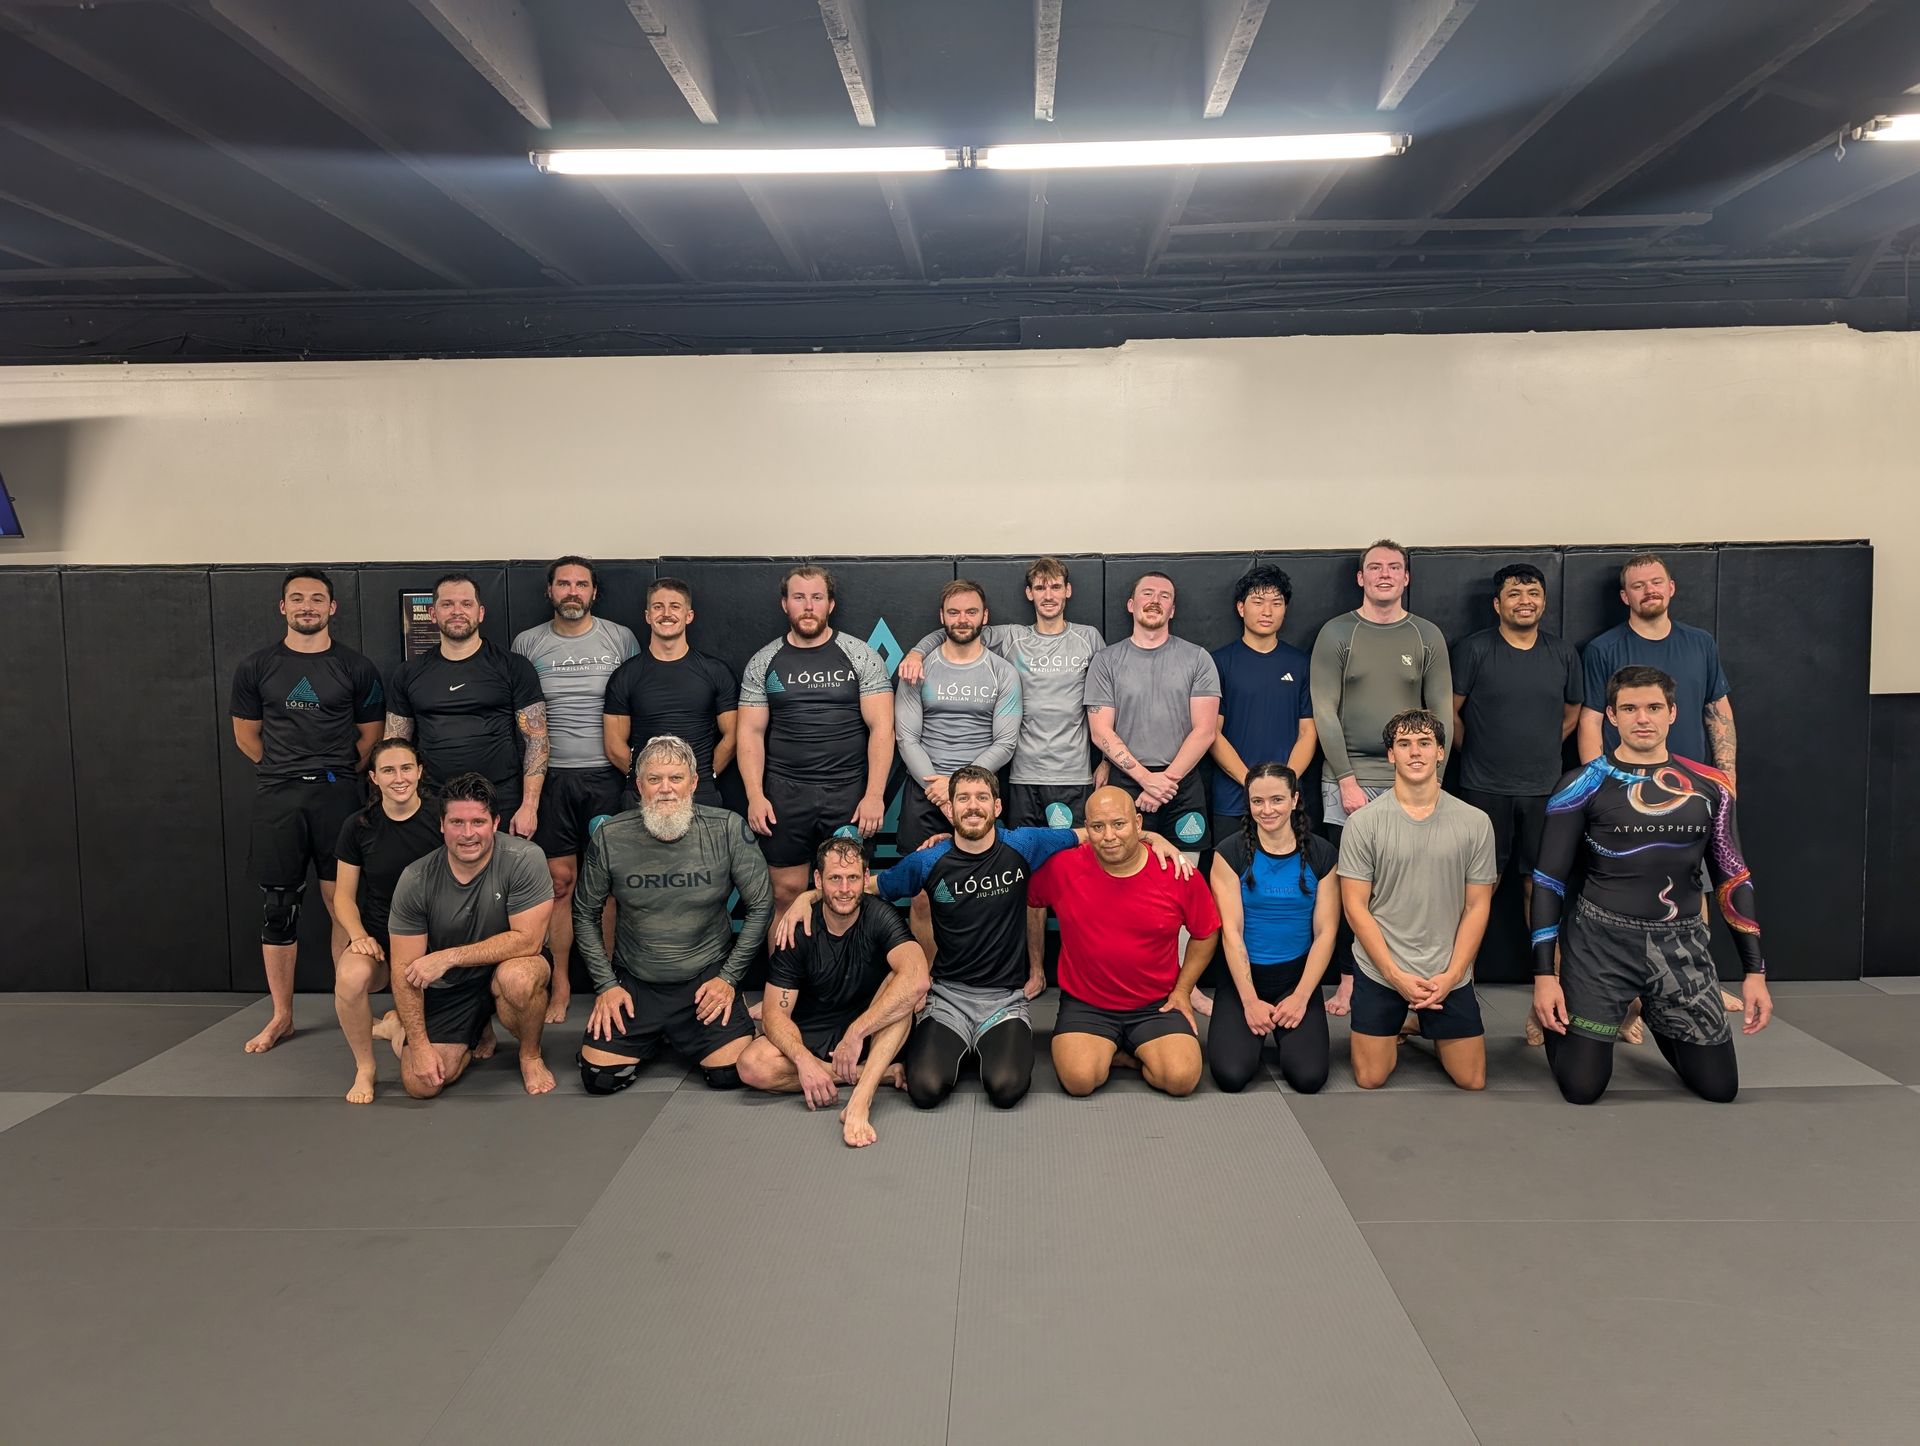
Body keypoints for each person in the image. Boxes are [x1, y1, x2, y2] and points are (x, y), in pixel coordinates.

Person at [770, 765, 1190, 1111]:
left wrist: (1152, 837)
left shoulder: (1024, 844)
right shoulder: (929, 860)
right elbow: (865, 886)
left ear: (997, 806)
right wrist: (809, 894)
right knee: (926, 1091)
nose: (973, 807)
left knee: (1006, 1090)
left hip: (1004, 1001)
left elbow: (1095, 833)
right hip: (948, 998)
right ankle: (952, 1048)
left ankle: (986, 1048)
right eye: (964, 799)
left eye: (982, 798)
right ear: (950, 810)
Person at [1531, 665, 1773, 1105]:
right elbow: (1548, 881)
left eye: (1653, 707)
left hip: (1682, 946)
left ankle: (1661, 1013)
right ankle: (1575, 1021)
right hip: (1600, 945)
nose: (1642, 718)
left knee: (1720, 1089)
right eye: (1630, 708)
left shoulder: (1711, 787)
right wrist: (1545, 976)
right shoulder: (1581, 785)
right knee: (1583, 1089)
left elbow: (1732, 878)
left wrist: (1754, 972)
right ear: (1612, 716)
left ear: (1672, 713)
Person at [1576, 552, 1744, 1013]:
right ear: (1624, 596)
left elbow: (1718, 711)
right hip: (1626, 792)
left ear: (1670, 588)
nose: (1649, 590)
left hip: (1691, 793)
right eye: (1638, 585)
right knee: (1625, 887)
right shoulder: (1603, 649)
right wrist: (1601, 785)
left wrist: (1724, 778)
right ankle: (1627, 997)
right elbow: (1590, 721)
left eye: (1656, 582)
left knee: (1697, 885)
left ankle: (1699, 980)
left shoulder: (1699, 644)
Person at [229, 567, 384, 1055]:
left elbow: (370, 739)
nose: (307, 606)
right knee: (279, 908)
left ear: (332, 608)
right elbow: (246, 736)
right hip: (278, 797)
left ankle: (349, 1009)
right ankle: (282, 1016)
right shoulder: (256, 668)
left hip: (338, 796)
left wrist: (328, 772)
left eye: (317, 599)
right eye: (297, 598)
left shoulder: (356, 668)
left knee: (343, 904)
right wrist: (288, 769)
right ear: (283, 607)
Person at [572, 735, 773, 1093]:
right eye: (654, 779)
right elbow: (585, 913)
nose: (666, 789)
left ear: (694, 783)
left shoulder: (728, 828)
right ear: (639, 786)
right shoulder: (611, 837)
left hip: (705, 982)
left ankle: (701, 1022)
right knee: (600, 1080)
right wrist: (605, 986)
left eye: (676, 778)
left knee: (729, 1075)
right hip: (635, 982)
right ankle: (653, 1036)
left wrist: (728, 978)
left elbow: (761, 906)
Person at [1310, 540, 1453, 1016]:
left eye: (1395, 567)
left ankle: (1413, 977)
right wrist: (1346, 779)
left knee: (1411, 884)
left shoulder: (1425, 634)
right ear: (1361, 577)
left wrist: (1430, 780)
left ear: (1407, 577)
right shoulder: (1337, 632)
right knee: (1352, 885)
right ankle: (1352, 979)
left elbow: (1442, 717)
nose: (1385, 574)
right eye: (1375, 567)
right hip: (1348, 778)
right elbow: (1324, 711)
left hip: (1412, 779)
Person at [1449, 563, 1581, 1046]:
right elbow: (1451, 712)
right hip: (1482, 789)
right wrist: (1480, 753)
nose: (1525, 599)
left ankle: (1547, 1000)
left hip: (1544, 791)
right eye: (1514, 593)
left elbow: (1570, 715)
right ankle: (1453, 993)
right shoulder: (1475, 649)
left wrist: (1541, 752)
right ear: (1497, 604)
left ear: (1543, 601)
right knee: (1476, 891)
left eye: (1533, 592)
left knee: (1540, 890)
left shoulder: (1563, 653)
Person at [1027, 786, 1220, 1099]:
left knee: (1182, 1079)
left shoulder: (1175, 871)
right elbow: (1028, 896)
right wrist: (1036, 965)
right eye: (1098, 826)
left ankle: (1124, 1050)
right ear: (1086, 829)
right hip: (1087, 1004)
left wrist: (1183, 990)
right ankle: (1115, 1051)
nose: (1108, 836)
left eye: (1119, 824)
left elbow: (1206, 931)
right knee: (1079, 1081)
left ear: (1139, 824)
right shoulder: (1064, 867)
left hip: (1156, 1004)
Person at [1338, 709, 1496, 1091]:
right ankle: (1405, 1015)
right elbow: (1355, 908)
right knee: (1371, 1078)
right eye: (1404, 744)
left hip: (1446, 972)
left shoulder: (1475, 822)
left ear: (1440, 751)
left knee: (1471, 1080)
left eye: (1425, 743)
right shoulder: (1364, 823)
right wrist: (1395, 976)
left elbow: (1477, 906)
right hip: (1383, 970)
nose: (1415, 753)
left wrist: (1454, 974)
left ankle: (1420, 1020)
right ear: (1390, 755)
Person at [737, 837, 931, 1146]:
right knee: (751, 1066)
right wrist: (803, 1061)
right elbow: (774, 1013)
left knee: (903, 989)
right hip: (816, 1027)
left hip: (871, 1027)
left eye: (853, 878)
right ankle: (875, 1073)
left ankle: (860, 1099)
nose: (844, 889)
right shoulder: (798, 928)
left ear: (865, 878)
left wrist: (856, 1032)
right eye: (835, 879)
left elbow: (919, 978)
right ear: (818, 880)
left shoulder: (879, 915)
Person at [512, 556, 640, 1024]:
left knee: (608, 887)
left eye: (580, 584)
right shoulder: (528, 642)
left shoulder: (620, 638)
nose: (572, 591)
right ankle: (561, 982)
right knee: (560, 885)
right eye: (563, 583)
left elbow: (633, 701)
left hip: (608, 774)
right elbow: (525, 717)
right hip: (551, 778)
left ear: (593, 592)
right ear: (550, 591)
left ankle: (607, 983)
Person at [735, 564, 894, 938]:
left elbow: (882, 729)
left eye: (817, 598)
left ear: (831, 604)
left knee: (847, 894)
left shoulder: (860, 654)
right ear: (784, 604)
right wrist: (755, 796)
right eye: (799, 597)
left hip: (848, 795)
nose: (808, 606)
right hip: (785, 796)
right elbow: (750, 734)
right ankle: (783, 990)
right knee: (785, 895)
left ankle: (848, 992)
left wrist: (874, 795)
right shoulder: (764, 661)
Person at [378, 772, 556, 1099]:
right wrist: (418, 1046)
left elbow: (528, 941)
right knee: (422, 1085)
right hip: (452, 984)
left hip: (507, 965)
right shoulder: (416, 878)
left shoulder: (524, 859)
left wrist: (448, 956)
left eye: (478, 822)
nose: (468, 834)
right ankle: (414, 1027)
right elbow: (404, 968)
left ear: (496, 823)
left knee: (518, 978)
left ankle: (530, 1054)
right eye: (457, 822)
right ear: (442, 825)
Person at [899, 556, 1108, 828]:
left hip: (1073, 774)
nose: (1048, 596)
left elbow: (1105, 702)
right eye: (1040, 588)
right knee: (1022, 856)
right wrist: (917, 653)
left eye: (1055, 587)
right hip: (1022, 776)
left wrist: (1106, 762)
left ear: (1067, 591)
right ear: (1029, 593)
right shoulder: (1012, 637)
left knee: (1067, 856)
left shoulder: (1089, 638)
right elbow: (957, 631)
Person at [892, 579, 1022, 955]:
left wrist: (959, 787)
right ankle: (928, 981)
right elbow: (906, 738)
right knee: (920, 893)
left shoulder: (1003, 672)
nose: (962, 620)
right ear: (941, 618)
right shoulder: (918, 669)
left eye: (970, 612)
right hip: (925, 789)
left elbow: (1006, 742)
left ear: (985, 617)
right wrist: (939, 787)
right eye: (954, 612)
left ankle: (979, 971)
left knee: (985, 889)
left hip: (978, 794)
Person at [1206, 763, 1339, 1094]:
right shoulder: (1229, 853)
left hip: (1295, 980)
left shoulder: (1322, 854)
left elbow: (1325, 933)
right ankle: (1249, 1023)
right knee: (1231, 1075)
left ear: (1294, 800)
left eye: (1277, 800)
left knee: (1308, 1078)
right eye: (1258, 802)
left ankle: (1287, 1027)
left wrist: (1302, 997)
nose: (1267, 810)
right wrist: (1249, 1001)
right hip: (1244, 980)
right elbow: (1231, 932)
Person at [386, 573, 549, 835]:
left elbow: (537, 740)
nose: (457, 611)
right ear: (433, 613)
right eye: (447, 604)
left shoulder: (513, 667)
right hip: (433, 799)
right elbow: (394, 744)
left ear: (480, 612)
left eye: (466, 604)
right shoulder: (408, 673)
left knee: (502, 875)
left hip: (501, 796)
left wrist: (529, 806)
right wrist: (396, 801)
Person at [329, 737, 443, 1104]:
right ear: (374, 777)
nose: (399, 777)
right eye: (389, 770)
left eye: (406, 768)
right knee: (349, 978)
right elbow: (343, 896)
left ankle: (400, 1024)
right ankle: (365, 1066)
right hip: (381, 936)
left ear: (420, 772)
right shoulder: (358, 825)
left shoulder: (442, 817)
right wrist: (359, 935)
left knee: (424, 1060)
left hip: (438, 938)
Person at [1085, 571, 1221, 855]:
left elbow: (1205, 730)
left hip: (1182, 784)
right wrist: (1146, 780)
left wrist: (1165, 782)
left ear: (1172, 610)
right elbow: (1100, 732)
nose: (1155, 600)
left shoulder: (1197, 658)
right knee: (1125, 874)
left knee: (1184, 875)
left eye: (1164, 596)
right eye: (1147, 593)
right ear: (1131, 605)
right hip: (1127, 782)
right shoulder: (1106, 661)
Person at [602, 576, 739, 809]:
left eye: (675, 606)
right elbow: (614, 745)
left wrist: (704, 775)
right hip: (643, 796)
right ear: (647, 616)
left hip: (700, 792)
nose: (666, 613)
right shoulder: (625, 675)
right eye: (658, 607)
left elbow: (733, 735)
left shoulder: (716, 671)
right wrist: (648, 778)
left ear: (689, 616)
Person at [1209, 565, 1316, 846]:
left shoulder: (1300, 663)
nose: (1267, 611)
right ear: (1241, 608)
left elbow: (1308, 732)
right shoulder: (1218, 662)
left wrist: (1282, 787)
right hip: (1233, 798)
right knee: (1229, 880)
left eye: (1276, 603)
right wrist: (1253, 785)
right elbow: (1212, 733)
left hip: (1286, 800)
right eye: (1258, 602)